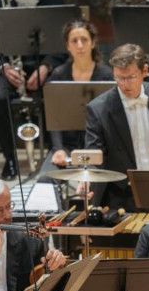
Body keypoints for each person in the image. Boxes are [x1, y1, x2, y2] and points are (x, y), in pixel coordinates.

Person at [83, 44, 149, 211]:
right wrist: (87, 178)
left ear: (144, 71)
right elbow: (95, 154)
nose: (124, 84)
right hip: (122, 194)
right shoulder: (98, 108)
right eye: (118, 77)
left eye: (130, 77)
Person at [0, 0, 67, 179]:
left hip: (44, 68)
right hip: (11, 69)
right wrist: (4, 68)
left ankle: (55, 153)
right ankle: (10, 159)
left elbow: (63, 42)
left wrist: (46, 67)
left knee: (57, 93)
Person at [41, 20, 113, 177]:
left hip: (99, 145)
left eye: (84, 40)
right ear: (67, 46)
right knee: (46, 181)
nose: (79, 45)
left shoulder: (107, 75)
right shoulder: (59, 74)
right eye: (74, 41)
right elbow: (54, 120)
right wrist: (59, 149)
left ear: (93, 43)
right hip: (67, 145)